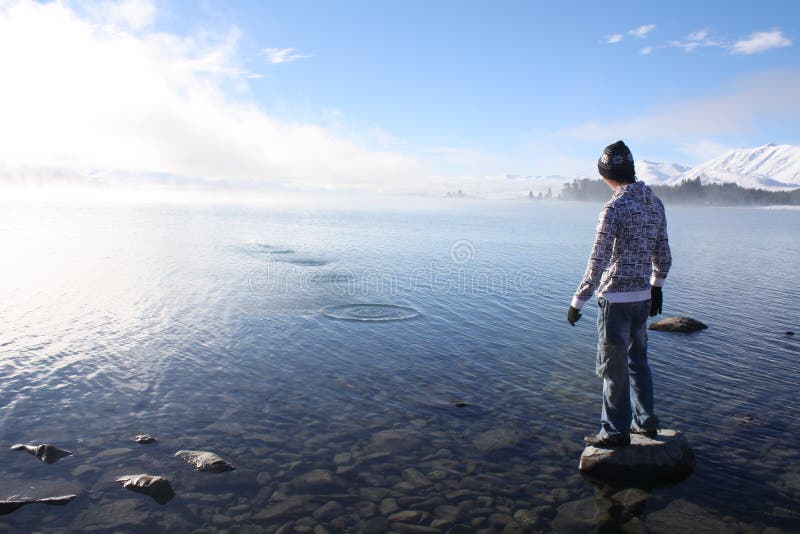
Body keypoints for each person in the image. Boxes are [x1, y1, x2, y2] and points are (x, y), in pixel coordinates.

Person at [567, 140, 672, 447]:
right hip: (642, 298)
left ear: (607, 175)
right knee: (639, 363)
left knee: (613, 369)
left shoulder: (614, 207)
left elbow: (597, 260)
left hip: (614, 302)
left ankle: (614, 432)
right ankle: (646, 422)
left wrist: (578, 301)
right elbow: (663, 254)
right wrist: (657, 286)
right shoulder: (655, 203)